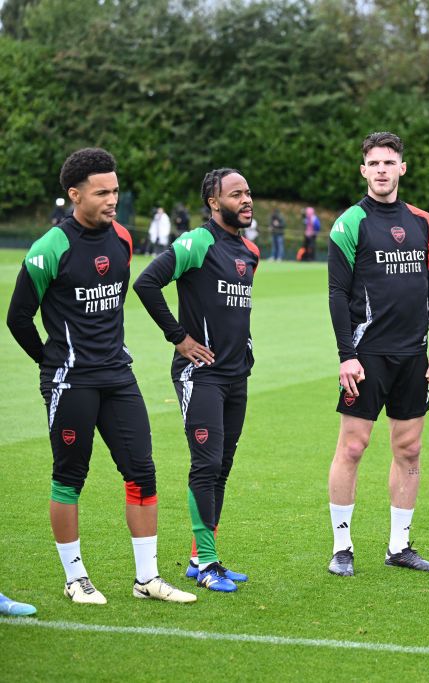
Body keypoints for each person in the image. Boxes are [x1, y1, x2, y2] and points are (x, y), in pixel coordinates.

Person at [5, 147, 195, 605]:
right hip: (71, 381)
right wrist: (51, 366)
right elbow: (18, 319)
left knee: (142, 472)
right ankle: (75, 579)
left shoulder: (124, 239)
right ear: (75, 195)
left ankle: (147, 579)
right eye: (102, 192)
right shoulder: (50, 248)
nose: (112, 199)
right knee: (70, 478)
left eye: (115, 190)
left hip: (118, 376)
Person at [326, 131, 429, 577]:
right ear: (364, 170)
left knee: (409, 448)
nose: (381, 169)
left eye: (388, 162)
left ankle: (399, 546)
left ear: (402, 168)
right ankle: (342, 547)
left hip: (413, 354)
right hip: (367, 354)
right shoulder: (350, 222)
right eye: (373, 163)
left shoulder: (422, 222)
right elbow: (337, 292)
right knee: (353, 446)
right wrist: (346, 354)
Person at [134, 168, 260, 593]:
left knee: (221, 465)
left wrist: (246, 346)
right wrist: (180, 338)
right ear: (213, 201)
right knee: (205, 465)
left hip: (235, 375)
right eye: (236, 194)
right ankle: (208, 564)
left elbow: (236, 311)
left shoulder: (250, 251)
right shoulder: (196, 242)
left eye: (248, 193)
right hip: (200, 375)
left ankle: (198, 556)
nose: (246, 200)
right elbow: (147, 282)